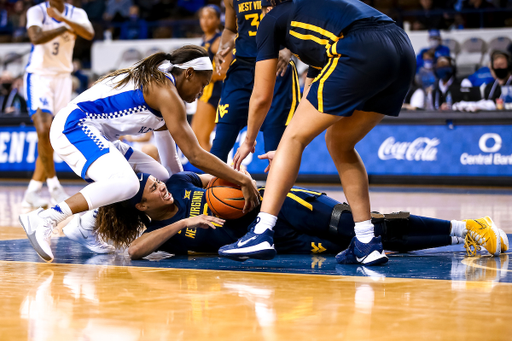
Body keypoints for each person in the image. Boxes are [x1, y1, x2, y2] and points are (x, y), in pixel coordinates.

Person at [19, 46, 260, 263]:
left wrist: (189, 198)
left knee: (159, 174)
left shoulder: (168, 95)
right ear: (188, 73)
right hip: (73, 126)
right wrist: (242, 179)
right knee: (126, 182)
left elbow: (173, 168)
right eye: (203, 84)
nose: (201, 92)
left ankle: (86, 225)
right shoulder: (166, 92)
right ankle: (47, 219)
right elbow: (194, 155)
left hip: (100, 136)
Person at [226, 0, 419, 265]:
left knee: (295, 138)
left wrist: (249, 140)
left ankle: (261, 232)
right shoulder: (318, 16)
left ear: (267, 7)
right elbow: (311, 97)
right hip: (402, 50)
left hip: (359, 46)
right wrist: (286, 148)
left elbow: (261, 96)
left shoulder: (272, 18)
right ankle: (366, 241)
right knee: (339, 143)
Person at [84, 170, 507, 261]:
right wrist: (183, 223)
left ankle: (466, 230)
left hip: (279, 204)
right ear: (140, 206)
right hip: (285, 242)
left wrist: (236, 181)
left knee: (365, 226)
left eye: (151, 180)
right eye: (147, 189)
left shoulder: (179, 181)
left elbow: (223, 178)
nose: (155, 184)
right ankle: (465, 235)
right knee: (363, 246)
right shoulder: (164, 233)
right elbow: (133, 253)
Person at [22, 0, 94, 208]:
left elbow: (88, 34)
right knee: (43, 129)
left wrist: (63, 19)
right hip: (40, 76)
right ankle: (54, 187)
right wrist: (64, 27)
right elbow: (35, 37)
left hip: (63, 78)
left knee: (54, 134)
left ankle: (33, 190)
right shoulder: (37, 11)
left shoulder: (76, 13)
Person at [210, 0, 301, 163]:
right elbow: (231, 29)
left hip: (276, 65)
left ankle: (277, 189)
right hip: (241, 69)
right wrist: (223, 48)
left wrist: (289, 50)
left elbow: (300, 23)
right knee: (219, 146)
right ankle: (212, 187)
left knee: (275, 148)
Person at [190, 5, 224, 151]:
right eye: (202, 17)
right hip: (203, 91)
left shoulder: (219, 41)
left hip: (212, 91)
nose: (205, 21)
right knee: (196, 137)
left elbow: (224, 72)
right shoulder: (205, 40)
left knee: (202, 138)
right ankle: (214, 172)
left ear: (218, 20)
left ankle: (217, 173)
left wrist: (199, 78)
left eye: (210, 17)